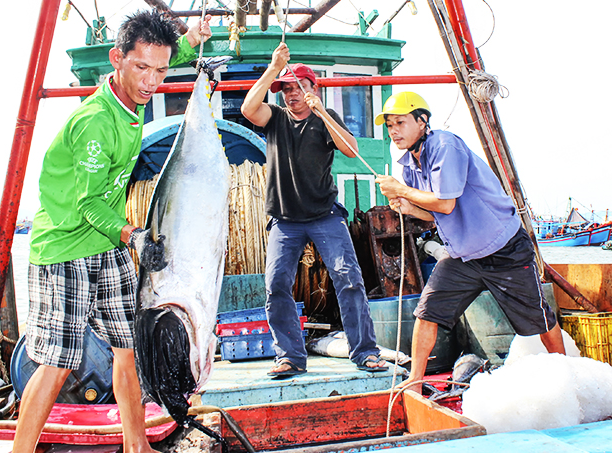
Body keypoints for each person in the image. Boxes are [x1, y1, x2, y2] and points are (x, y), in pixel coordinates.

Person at [12, 10, 211, 453]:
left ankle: (137, 447)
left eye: (160, 70)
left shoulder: (134, 95)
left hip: (108, 245)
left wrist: (191, 40)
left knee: (127, 348)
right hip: (65, 247)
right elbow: (88, 204)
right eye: (141, 68)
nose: (151, 81)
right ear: (116, 58)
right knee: (57, 363)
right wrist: (133, 235)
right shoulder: (96, 123)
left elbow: (165, 53)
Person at [374, 91, 565, 393]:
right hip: (463, 255)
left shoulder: (446, 147)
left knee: (538, 319)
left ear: (422, 122)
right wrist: (410, 208)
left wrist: (403, 191)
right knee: (427, 310)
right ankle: (414, 381)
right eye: (389, 126)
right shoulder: (409, 163)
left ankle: (565, 375)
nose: (394, 131)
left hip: (504, 249)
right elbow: (435, 213)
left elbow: (446, 203)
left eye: (400, 122)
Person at [240, 42, 389, 378]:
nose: (292, 95)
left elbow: (351, 150)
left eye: (299, 87)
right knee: (277, 285)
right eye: (287, 89)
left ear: (313, 88)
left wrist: (321, 111)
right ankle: (290, 357)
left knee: (349, 280)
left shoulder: (326, 118)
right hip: (285, 221)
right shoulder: (275, 117)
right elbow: (250, 109)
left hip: (325, 216)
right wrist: (273, 68)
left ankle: (365, 352)